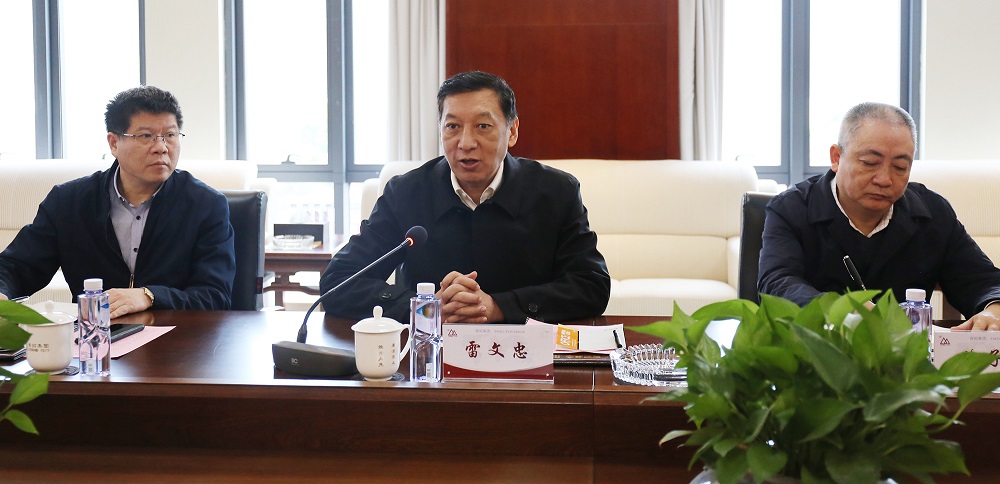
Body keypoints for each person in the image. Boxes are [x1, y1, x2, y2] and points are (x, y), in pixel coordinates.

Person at [320, 71, 610, 324]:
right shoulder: (406, 193)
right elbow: (338, 281)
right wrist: (425, 308)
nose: (466, 143)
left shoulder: (555, 192)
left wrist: (499, 307)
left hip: (524, 354)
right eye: (453, 127)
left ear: (512, 132)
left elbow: (591, 285)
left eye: (483, 126)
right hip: (430, 353)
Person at [758, 101, 1000, 330]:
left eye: (900, 167)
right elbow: (778, 283)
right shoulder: (791, 209)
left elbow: (982, 280)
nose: (884, 179)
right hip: (815, 351)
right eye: (870, 162)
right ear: (836, 158)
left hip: (905, 357)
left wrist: (993, 311)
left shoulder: (933, 213)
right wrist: (841, 308)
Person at [0, 86, 235, 317]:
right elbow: (16, 267)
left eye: (170, 135)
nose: (161, 147)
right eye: (146, 136)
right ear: (113, 143)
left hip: (177, 336)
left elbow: (214, 296)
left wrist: (149, 296)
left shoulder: (206, 205)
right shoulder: (68, 202)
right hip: (95, 336)